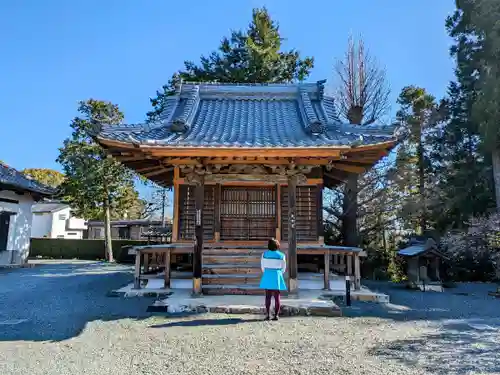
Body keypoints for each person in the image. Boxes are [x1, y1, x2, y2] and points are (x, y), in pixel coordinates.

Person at [259, 238, 287, 320]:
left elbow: (262, 267)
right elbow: (283, 268)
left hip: (267, 274)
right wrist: (278, 273)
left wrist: (267, 272)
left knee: (267, 296)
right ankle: (276, 315)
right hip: (277, 275)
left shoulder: (264, 254)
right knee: (277, 296)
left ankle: (267, 315)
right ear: (277, 246)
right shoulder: (282, 255)